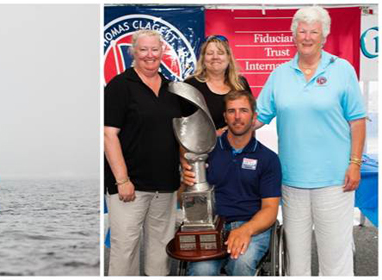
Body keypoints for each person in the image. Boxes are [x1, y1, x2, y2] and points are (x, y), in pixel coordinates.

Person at [255, 6, 366, 276]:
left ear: (324, 36)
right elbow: (257, 117)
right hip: (292, 180)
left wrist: (355, 163)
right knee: (296, 258)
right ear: (293, 35)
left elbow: (358, 121)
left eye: (313, 31)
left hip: (334, 180)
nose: (307, 37)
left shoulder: (342, 70)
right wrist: (226, 129)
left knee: (335, 257)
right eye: (302, 31)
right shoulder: (280, 74)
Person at [104, 29, 188, 276]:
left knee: (161, 252)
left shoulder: (173, 88)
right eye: (143, 50)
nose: (149, 55)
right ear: (133, 52)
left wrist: (185, 170)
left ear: (163, 51)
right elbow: (109, 135)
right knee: (125, 250)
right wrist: (122, 180)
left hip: (166, 186)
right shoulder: (119, 86)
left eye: (154, 49)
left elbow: (181, 134)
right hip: (130, 188)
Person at [181, 90, 282, 276]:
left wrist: (246, 230)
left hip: (252, 225)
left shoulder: (268, 159)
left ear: (254, 117)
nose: (237, 117)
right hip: (212, 226)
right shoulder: (206, 152)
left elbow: (270, 209)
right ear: (225, 117)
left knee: (241, 262)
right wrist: (185, 183)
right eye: (231, 111)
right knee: (202, 270)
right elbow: (183, 198)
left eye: (243, 110)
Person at [184, 35, 252, 136]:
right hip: (201, 149)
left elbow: (250, 119)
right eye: (210, 53)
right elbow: (184, 125)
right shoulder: (190, 85)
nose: (215, 57)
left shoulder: (241, 84)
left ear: (228, 58)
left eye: (220, 53)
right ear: (203, 58)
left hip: (236, 147)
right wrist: (212, 135)